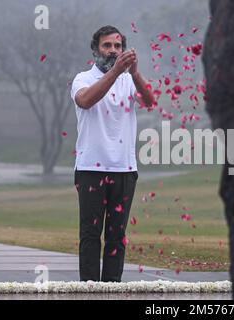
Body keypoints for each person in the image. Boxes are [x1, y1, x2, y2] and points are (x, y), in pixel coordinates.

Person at [70, 25, 155, 282]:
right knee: (90, 234)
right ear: (95, 49)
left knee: (117, 236)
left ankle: (112, 289)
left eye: (118, 46)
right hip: (90, 169)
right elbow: (85, 101)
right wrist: (116, 72)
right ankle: (88, 290)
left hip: (124, 169)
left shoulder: (129, 80)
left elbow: (150, 101)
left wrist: (135, 73)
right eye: (107, 46)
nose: (113, 51)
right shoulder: (83, 78)